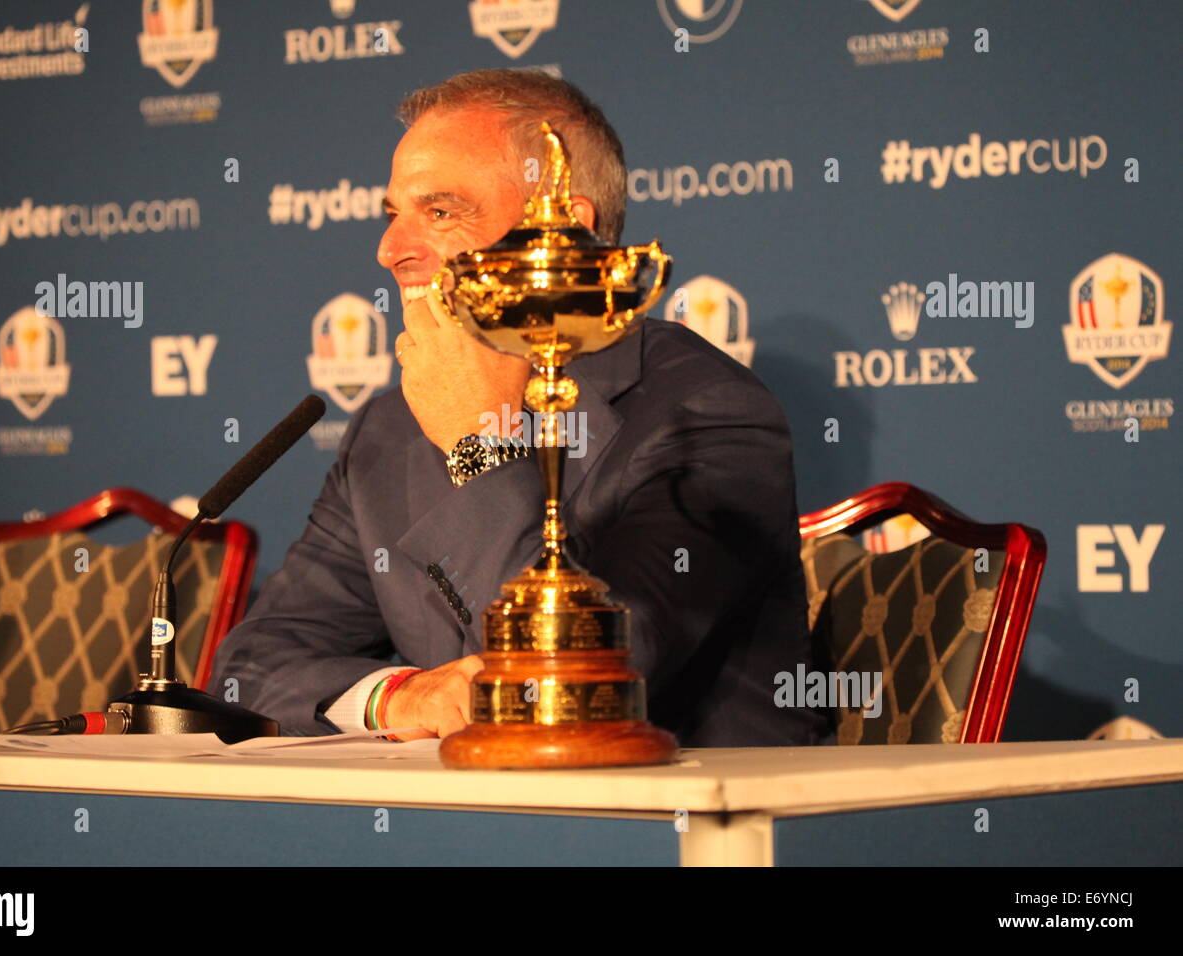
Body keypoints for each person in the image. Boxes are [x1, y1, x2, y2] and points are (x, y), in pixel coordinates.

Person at [208, 69, 832, 747]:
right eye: (394, 213)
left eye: (441, 212)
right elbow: (252, 665)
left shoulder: (709, 413)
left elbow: (575, 682)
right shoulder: (387, 430)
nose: (390, 251)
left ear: (562, 228)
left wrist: (478, 446)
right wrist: (402, 694)